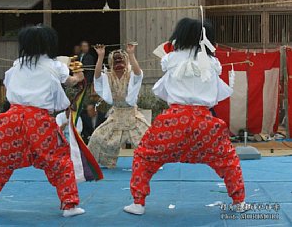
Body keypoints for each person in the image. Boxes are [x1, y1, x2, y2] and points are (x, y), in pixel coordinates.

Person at [124, 18, 246, 215]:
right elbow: (216, 95)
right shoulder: (213, 63)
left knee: (144, 156)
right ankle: (239, 201)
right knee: (228, 159)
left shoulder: (171, 59)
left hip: (173, 122)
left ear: (179, 35)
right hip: (205, 123)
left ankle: (138, 203)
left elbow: (162, 91)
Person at [0, 25, 85, 217]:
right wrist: (79, 76)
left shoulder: (17, 65)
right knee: (58, 161)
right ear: (49, 44)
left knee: (0, 162)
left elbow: (9, 84)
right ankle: (70, 205)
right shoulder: (54, 64)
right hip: (38, 121)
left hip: (12, 119)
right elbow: (70, 81)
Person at [88, 44, 150, 168]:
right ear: (111, 63)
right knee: (97, 137)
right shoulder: (108, 76)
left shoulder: (130, 74)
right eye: (115, 60)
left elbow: (138, 74)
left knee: (149, 139)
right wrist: (100, 56)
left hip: (132, 115)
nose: (118, 63)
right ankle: (96, 162)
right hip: (116, 115)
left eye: (121, 60)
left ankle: (151, 162)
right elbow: (97, 77)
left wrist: (131, 54)